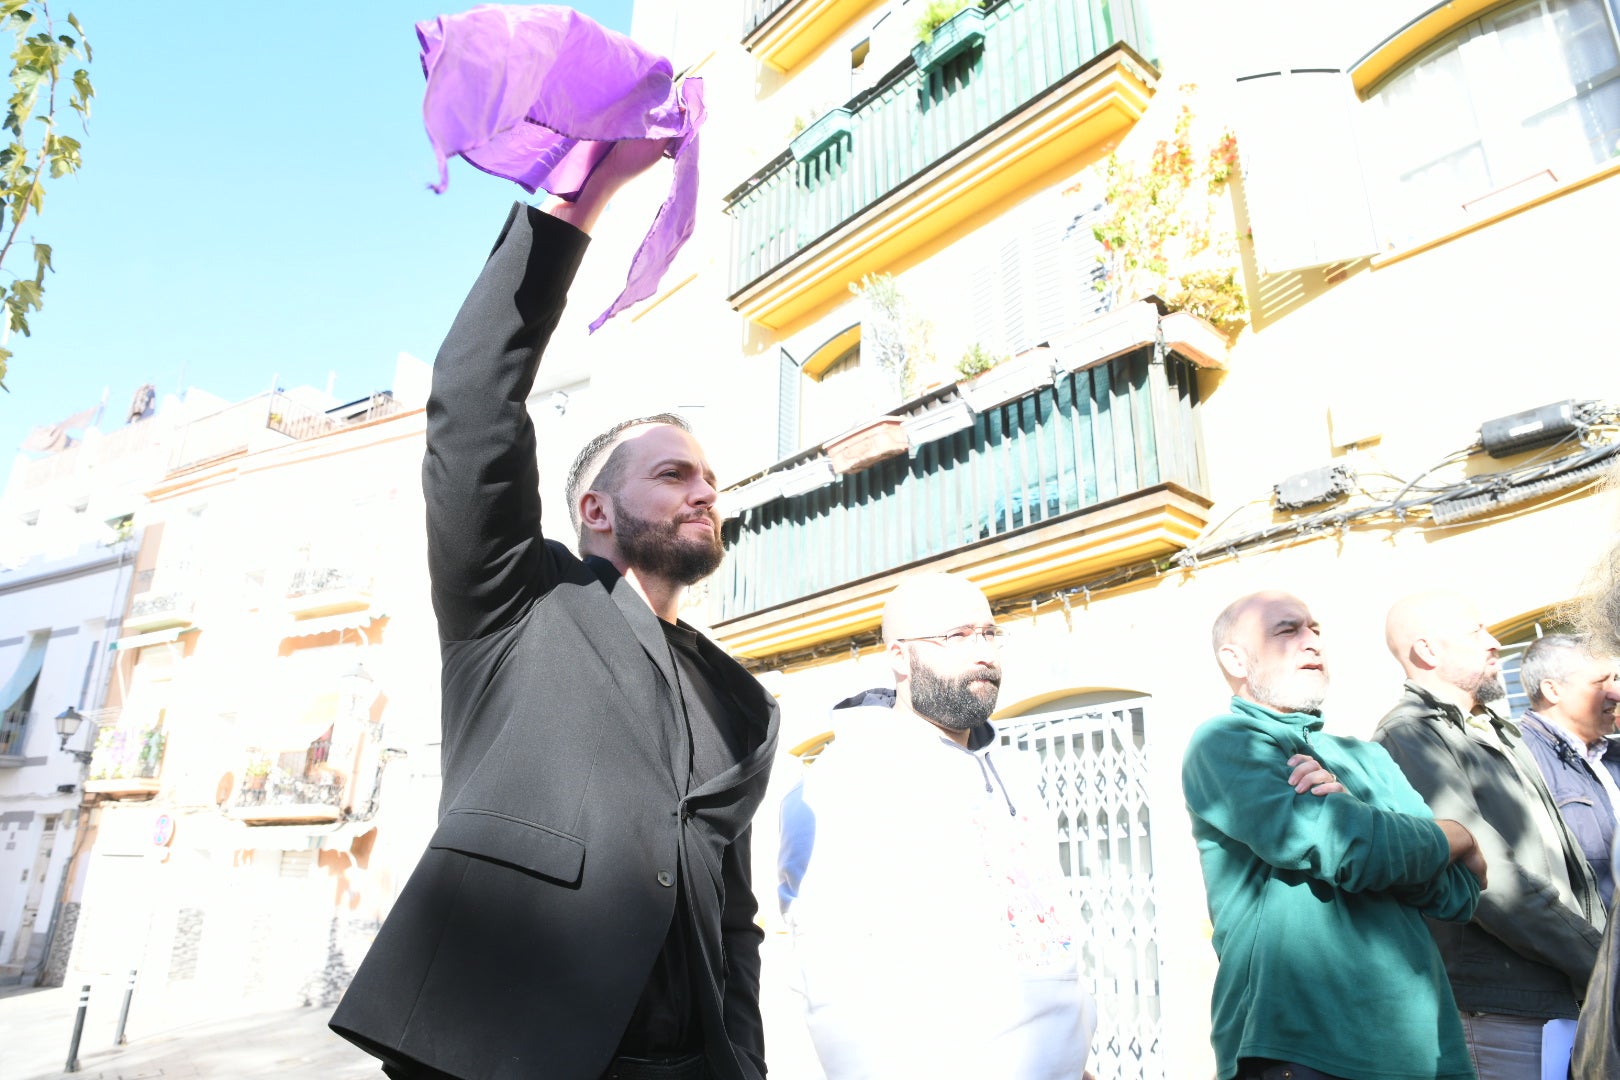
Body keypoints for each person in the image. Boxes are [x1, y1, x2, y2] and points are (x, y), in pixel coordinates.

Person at [328, 137, 779, 1080]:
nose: (705, 493)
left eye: (710, 479)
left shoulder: (742, 702)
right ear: (595, 511)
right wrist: (580, 203)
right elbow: (473, 402)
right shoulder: (515, 597)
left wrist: (740, 1060)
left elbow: (732, 920)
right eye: (674, 475)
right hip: (493, 1056)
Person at [778, 574, 1097, 1079]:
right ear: (900, 658)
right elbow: (831, 976)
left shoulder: (1017, 773)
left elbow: (1043, 934)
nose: (983, 652)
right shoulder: (846, 781)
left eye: (990, 634)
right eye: (957, 636)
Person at [1184, 590, 1484, 1080]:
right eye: (1288, 630)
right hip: (1300, 1045)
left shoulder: (1369, 758)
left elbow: (1458, 893)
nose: (1312, 642)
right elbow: (1349, 851)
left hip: (1425, 1045)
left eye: (1315, 629)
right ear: (1235, 658)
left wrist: (1358, 811)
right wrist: (1459, 839)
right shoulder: (1225, 741)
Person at [1373, 590, 1604, 1080]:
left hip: (1562, 991)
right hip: (1504, 1007)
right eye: (1477, 632)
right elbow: (1489, 878)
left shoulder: (1494, 729)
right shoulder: (1411, 736)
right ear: (1428, 651)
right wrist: (1598, 962)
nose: (1495, 642)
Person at [1516, 634, 1620, 909]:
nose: (1616, 693)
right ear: (1553, 690)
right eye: (1599, 683)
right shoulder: (1520, 763)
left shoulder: (1612, 755)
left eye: (1615, 679)